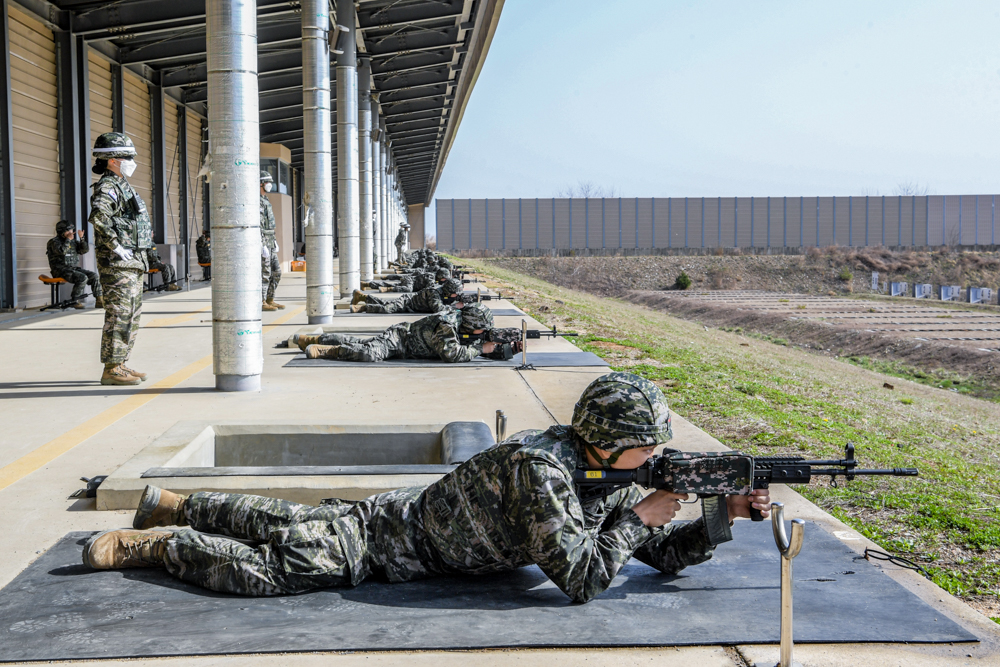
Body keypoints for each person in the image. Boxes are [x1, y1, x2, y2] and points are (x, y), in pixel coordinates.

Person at [81, 372, 770, 603]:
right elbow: (586, 579)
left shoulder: (606, 476)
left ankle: (177, 500)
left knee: (282, 518)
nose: (658, 455)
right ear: (611, 438)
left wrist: (722, 515)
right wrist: (643, 514)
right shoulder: (546, 472)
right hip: (385, 544)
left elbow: (653, 554)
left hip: (395, 523)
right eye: (648, 444)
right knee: (272, 565)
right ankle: (163, 542)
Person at [89, 132, 151, 386]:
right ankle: (112, 369)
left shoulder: (121, 184)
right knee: (119, 314)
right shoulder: (107, 187)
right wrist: (115, 245)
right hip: (118, 264)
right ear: (113, 160)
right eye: (127, 157)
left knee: (131, 315)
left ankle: (121, 362)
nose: (131, 161)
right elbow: (99, 217)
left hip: (132, 262)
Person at [295, 302, 497, 363]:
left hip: (405, 343)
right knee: (369, 353)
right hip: (400, 340)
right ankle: (325, 350)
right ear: (472, 322)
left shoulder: (460, 322)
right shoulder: (447, 324)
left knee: (360, 343)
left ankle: (315, 338)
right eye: (482, 327)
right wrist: (481, 349)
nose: (482, 332)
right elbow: (451, 354)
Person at [46, 220, 103, 309]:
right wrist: (68, 240)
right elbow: (62, 251)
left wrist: (82, 238)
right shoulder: (53, 242)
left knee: (94, 276)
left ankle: (99, 300)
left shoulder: (73, 242)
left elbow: (84, 250)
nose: (71, 233)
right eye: (68, 231)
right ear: (61, 231)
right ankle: (75, 300)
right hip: (60, 270)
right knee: (82, 277)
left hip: (73, 269)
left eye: (71, 230)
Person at [348, 278, 463, 314]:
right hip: (407, 302)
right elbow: (438, 309)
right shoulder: (435, 293)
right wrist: (455, 307)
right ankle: (363, 308)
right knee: (387, 309)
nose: (456, 295)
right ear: (449, 290)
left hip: (410, 304)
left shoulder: (443, 293)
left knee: (385, 303)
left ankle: (362, 297)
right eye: (456, 292)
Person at [259, 172, 284, 311]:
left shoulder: (266, 200)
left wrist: (273, 241)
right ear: (261, 183)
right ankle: (261, 301)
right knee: (265, 273)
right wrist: (262, 244)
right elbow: (258, 225)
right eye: (268, 182)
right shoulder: (256, 201)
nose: (270, 184)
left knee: (276, 272)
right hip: (262, 242)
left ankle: (270, 298)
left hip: (270, 241)